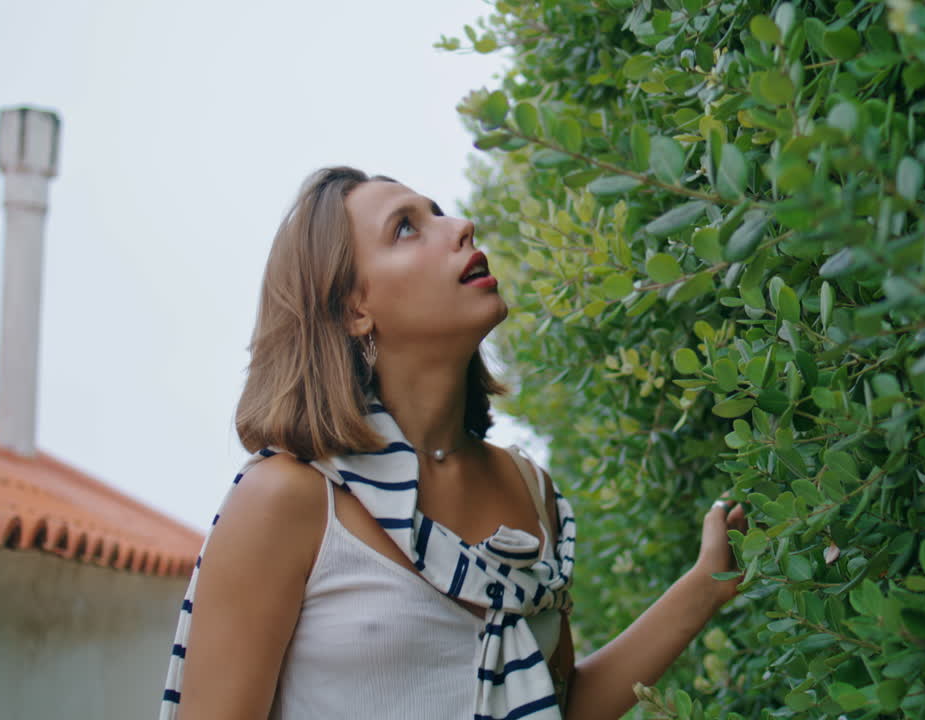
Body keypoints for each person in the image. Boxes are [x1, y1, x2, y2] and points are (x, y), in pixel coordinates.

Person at [159, 167, 748, 719]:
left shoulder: (527, 487)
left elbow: (556, 705)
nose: (461, 226)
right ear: (353, 308)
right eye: (407, 227)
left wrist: (705, 585)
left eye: (438, 212)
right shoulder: (288, 499)